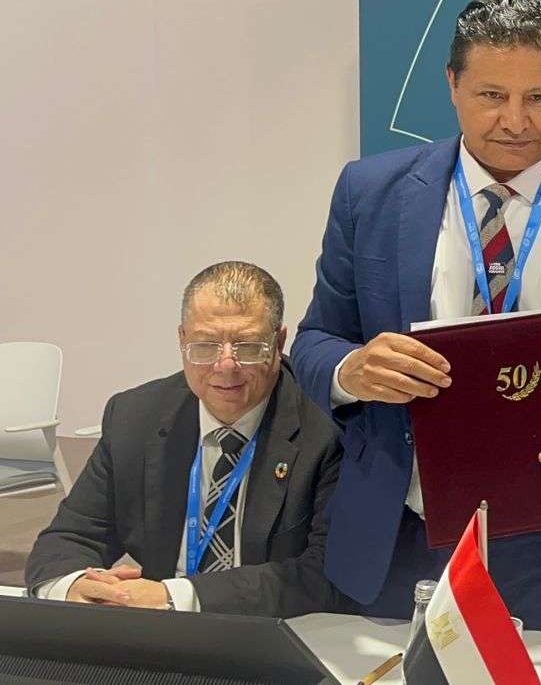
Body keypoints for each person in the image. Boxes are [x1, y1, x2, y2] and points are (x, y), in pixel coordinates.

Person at [294, 0, 541, 633]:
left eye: (538, 97)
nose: (515, 120)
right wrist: (352, 371)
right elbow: (315, 340)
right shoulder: (369, 193)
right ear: (452, 84)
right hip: (402, 532)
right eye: (491, 95)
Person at [26, 261, 345, 617]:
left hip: (275, 627)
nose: (226, 365)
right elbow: (69, 538)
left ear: (279, 342)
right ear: (182, 340)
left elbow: (327, 573)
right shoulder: (135, 416)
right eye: (205, 346)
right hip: (163, 631)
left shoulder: (329, 426)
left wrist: (177, 596)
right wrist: (74, 586)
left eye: (248, 346)